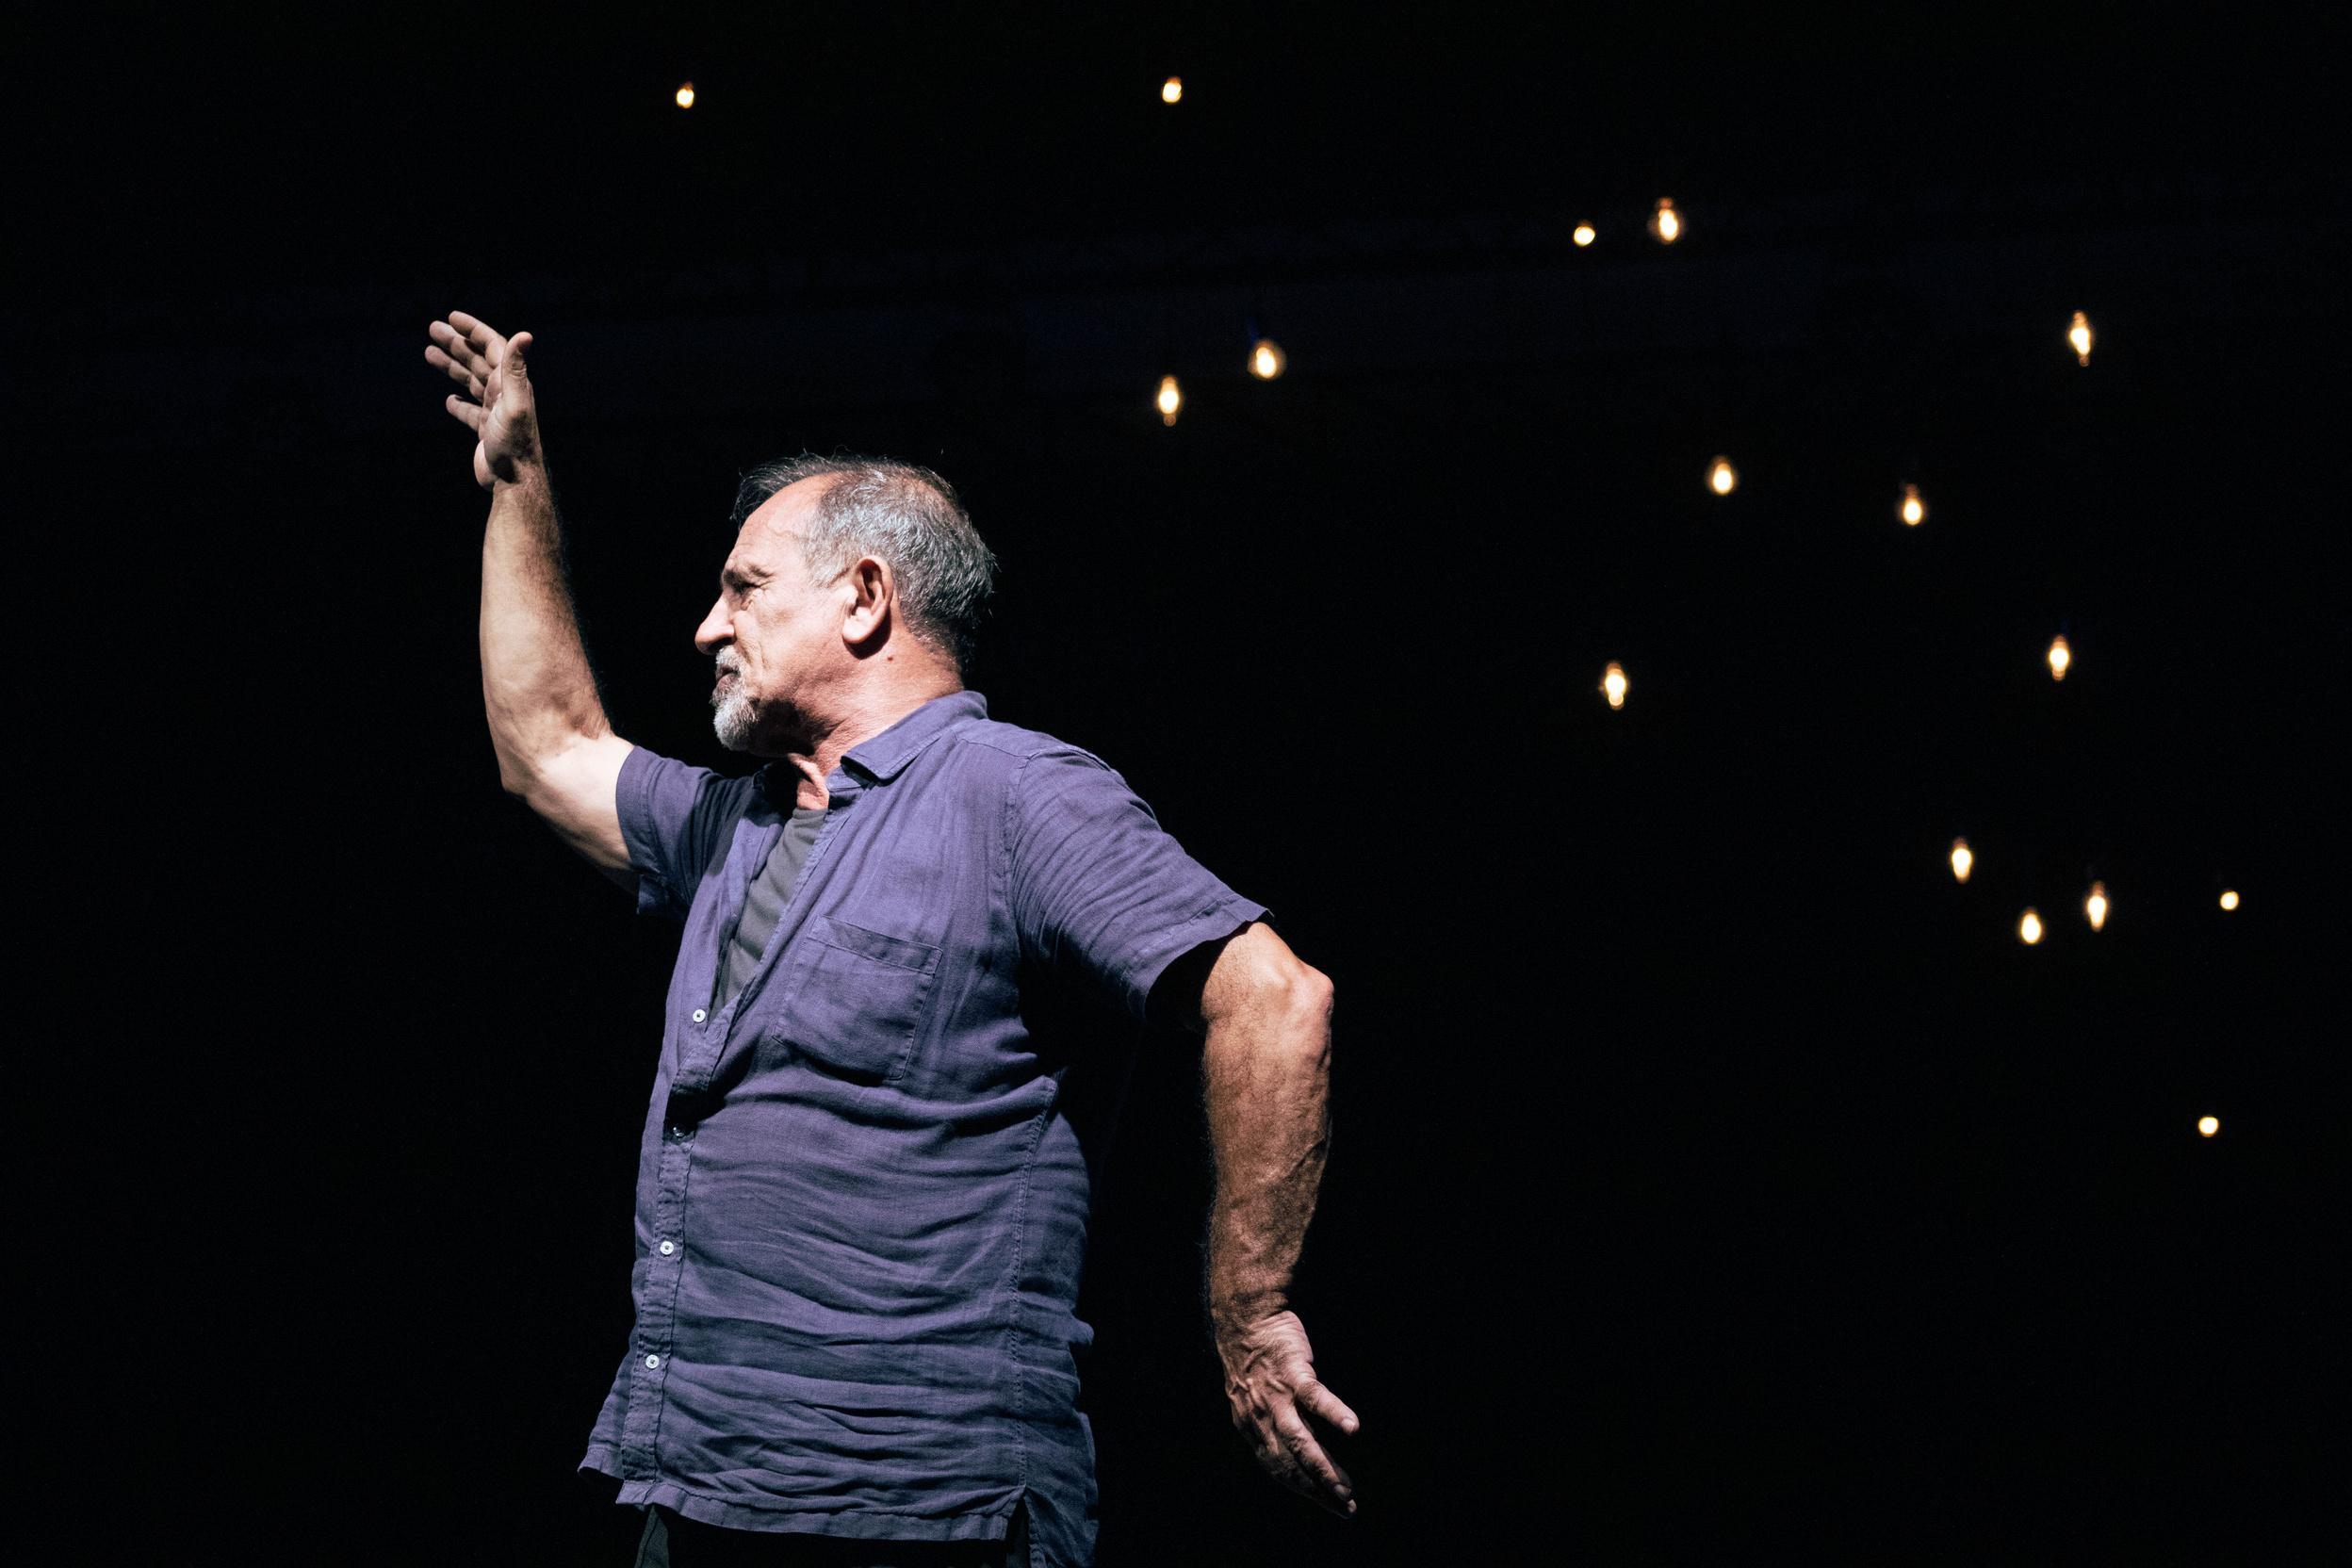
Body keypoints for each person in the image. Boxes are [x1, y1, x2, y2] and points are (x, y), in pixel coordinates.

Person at [425, 311, 1356, 1565]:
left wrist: (1251, 1317)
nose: (708, 628)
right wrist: (517, 479)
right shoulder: (735, 824)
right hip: (695, 1489)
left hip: (923, 1505)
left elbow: (1277, 998)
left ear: (865, 598)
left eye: (745, 589)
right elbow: (548, 745)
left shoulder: (1017, 795)